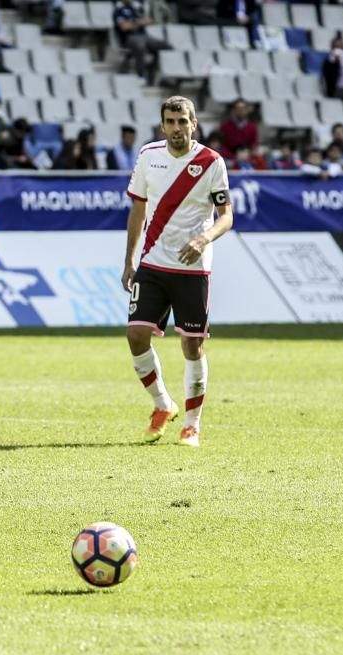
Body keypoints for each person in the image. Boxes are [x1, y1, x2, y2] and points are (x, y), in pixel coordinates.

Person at [121, 96, 233, 447]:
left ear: (194, 123)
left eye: (183, 121)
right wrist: (129, 260)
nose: (176, 128)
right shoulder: (148, 156)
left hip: (193, 267)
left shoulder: (211, 162)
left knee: (192, 345)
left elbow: (226, 216)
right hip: (153, 261)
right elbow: (138, 209)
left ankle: (192, 424)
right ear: (162, 125)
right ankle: (162, 404)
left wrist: (204, 238)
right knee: (136, 335)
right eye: (170, 121)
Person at [113, 0, 170, 84]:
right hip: (128, 38)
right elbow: (124, 27)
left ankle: (162, 75)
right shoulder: (118, 10)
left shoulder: (137, 8)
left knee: (166, 46)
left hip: (144, 36)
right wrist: (139, 22)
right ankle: (140, 75)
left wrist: (133, 23)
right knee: (140, 47)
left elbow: (149, 20)